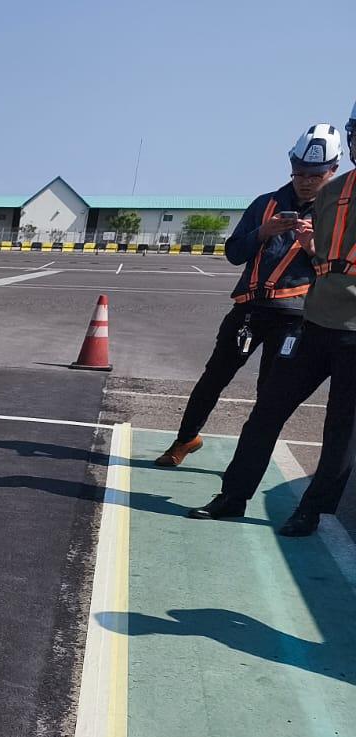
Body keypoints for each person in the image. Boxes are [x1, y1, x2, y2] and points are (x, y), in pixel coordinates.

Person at [191, 113, 356, 536]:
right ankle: (233, 496)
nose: (307, 179)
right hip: (316, 323)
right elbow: (324, 260)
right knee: (267, 411)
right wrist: (310, 246)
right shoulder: (334, 193)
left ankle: (311, 511)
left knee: (341, 428)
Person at [157, 124, 343, 467]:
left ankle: (244, 465)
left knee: (269, 395)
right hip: (248, 309)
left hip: (294, 317)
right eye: (299, 172)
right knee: (213, 378)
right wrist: (262, 232)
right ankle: (185, 440)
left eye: (315, 175)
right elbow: (233, 253)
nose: (305, 180)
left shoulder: (338, 213)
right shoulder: (264, 204)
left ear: (333, 171)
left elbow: (339, 271)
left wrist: (311, 246)